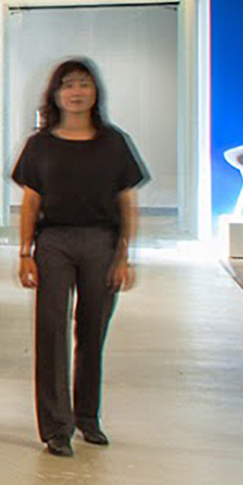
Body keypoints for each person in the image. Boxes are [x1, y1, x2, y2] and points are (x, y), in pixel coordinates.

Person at [12, 58, 147, 457]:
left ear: (95, 92)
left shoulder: (114, 143)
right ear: (56, 94)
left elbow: (127, 202)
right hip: (53, 243)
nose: (76, 92)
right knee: (51, 331)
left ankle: (88, 417)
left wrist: (124, 255)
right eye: (68, 85)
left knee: (92, 330)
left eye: (84, 84)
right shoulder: (40, 145)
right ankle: (57, 427)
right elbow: (30, 202)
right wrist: (25, 253)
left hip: (101, 243)